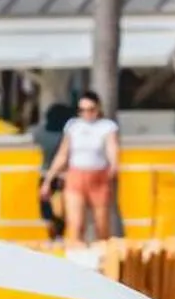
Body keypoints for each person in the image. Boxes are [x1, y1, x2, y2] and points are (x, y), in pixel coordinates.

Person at [41, 90, 121, 247]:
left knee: (102, 227)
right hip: (76, 176)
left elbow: (111, 147)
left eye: (91, 110)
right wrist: (49, 179)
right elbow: (63, 154)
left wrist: (114, 164)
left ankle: (101, 256)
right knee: (75, 225)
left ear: (98, 109)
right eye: (82, 110)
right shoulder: (73, 126)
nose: (87, 114)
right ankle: (77, 254)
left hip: (98, 177)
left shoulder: (107, 127)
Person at [33, 101, 72, 242]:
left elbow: (34, 135)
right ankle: (61, 235)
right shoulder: (67, 135)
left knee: (47, 211)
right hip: (65, 175)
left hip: (45, 174)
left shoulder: (41, 133)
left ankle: (53, 236)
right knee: (64, 210)